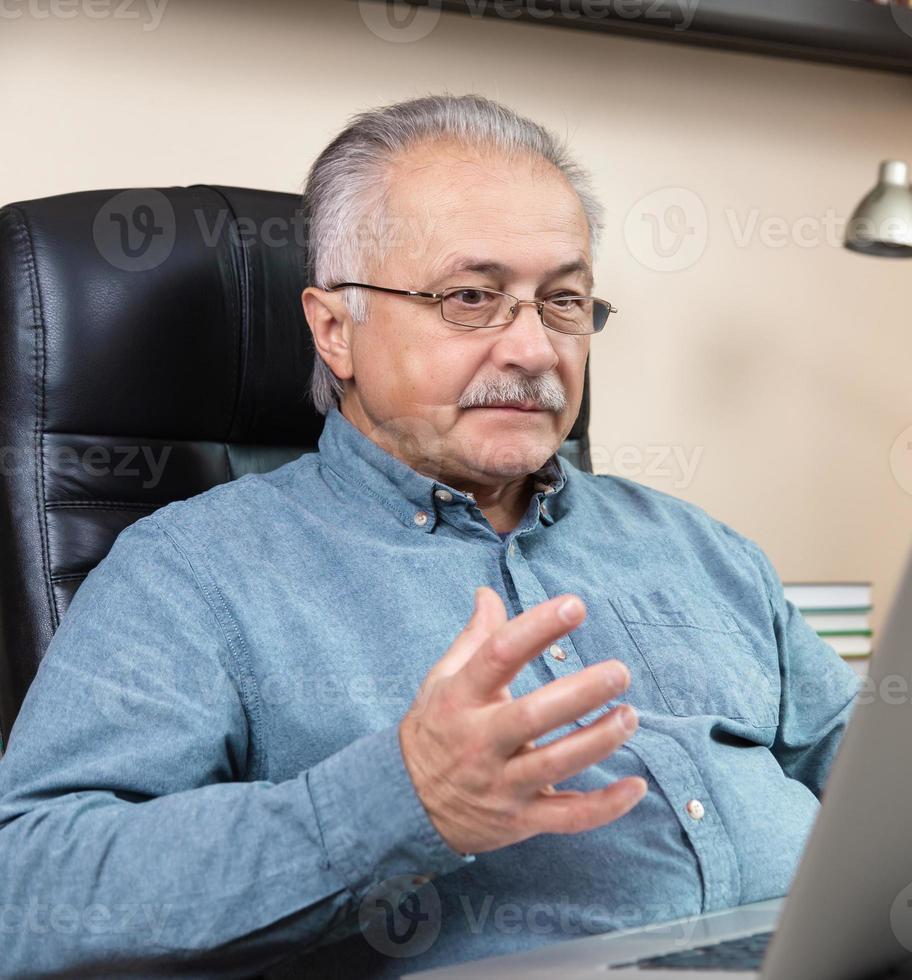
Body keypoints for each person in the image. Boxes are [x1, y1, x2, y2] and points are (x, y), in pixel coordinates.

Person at [0, 94, 859, 977]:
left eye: (564, 300)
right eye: (470, 297)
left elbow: (883, 776)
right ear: (335, 329)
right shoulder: (194, 571)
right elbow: (29, 889)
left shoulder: (697, 546)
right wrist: (403, 801)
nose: (533, 348)